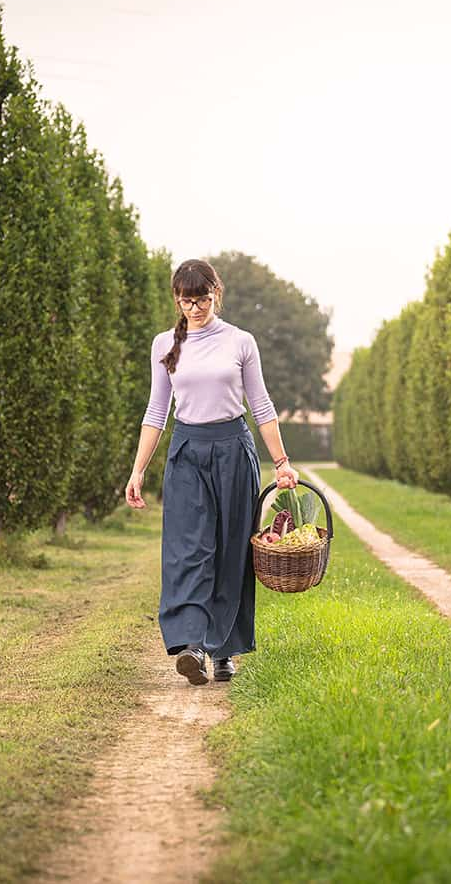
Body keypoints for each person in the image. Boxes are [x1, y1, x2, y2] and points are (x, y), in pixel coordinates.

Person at [125, 259, 299, 686]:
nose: (195, 308)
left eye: (201, 299)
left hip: (233, 450)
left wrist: (281, 463)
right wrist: (137, 470)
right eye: (186, 300)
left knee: (230, 548)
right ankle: (191, 645)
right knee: (188, 548)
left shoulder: (240, 342)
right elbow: (156, 411)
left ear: (215, 294)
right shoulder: (165, 344)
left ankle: (225, 650)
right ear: (177, 299)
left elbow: (260, 405)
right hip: (187, 451)